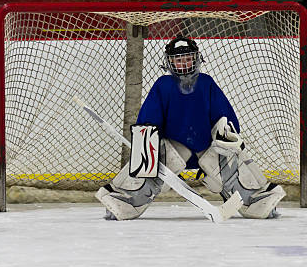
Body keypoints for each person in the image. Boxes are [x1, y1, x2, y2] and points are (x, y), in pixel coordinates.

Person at [96, 36, 286, 220]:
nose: (184, 63)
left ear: (197, 58)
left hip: (208, 149)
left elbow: (225, 118)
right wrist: (146, 146)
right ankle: (126, 200)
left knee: (231, 155)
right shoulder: (163, 85)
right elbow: (148, 121)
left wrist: (226, 136)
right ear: (170, 62)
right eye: (179, 60)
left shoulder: (206, 82)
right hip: (173, 150)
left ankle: (255, 199)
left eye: (188, 58)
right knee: (148, 157)